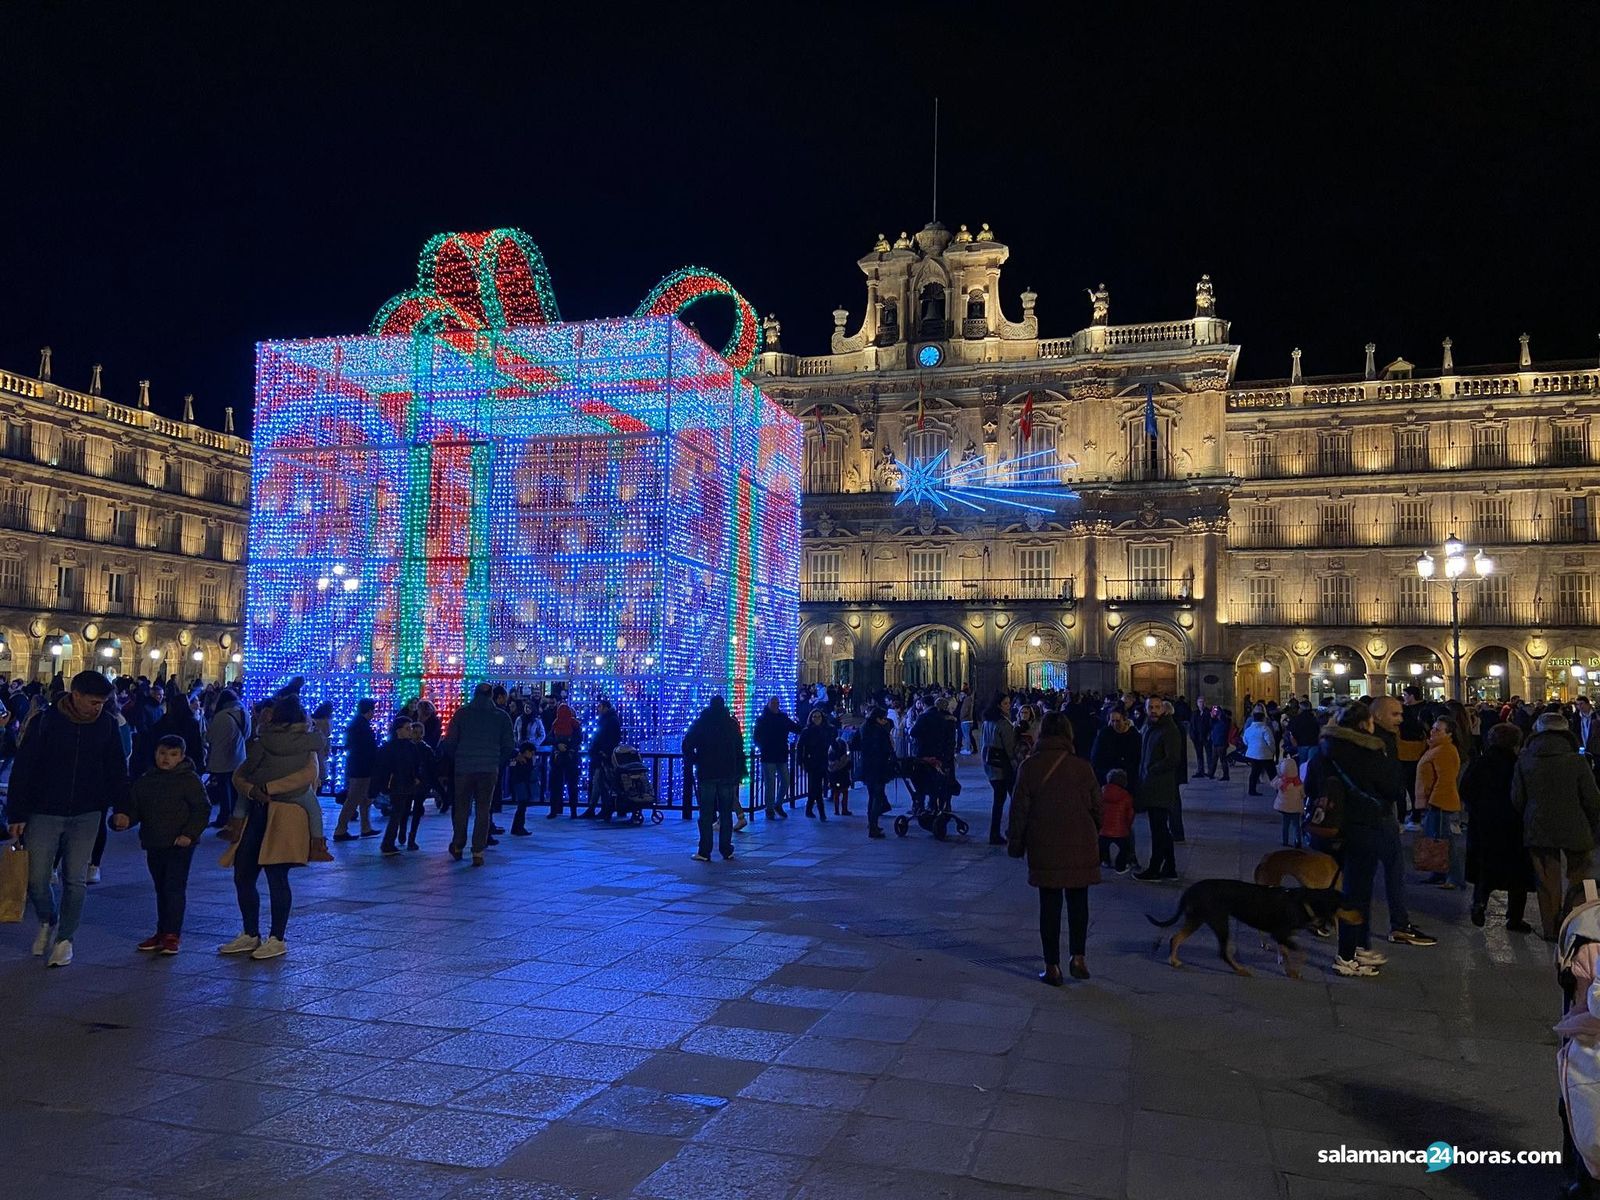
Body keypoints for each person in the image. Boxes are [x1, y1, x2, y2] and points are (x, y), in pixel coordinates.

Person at [6, 671, 131, 968]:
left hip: (87, 811)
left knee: (75, 878)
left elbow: (116, 767)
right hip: (44, 810)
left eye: (102, 703)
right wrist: (17, 814)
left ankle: (65, 939)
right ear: (75, 696)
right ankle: (48, 919)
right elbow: (24, 769)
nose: (97, 708)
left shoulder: (106, 726)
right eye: (93, 702)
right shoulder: (45, 722)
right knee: (37, 879)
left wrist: (123, 807)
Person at [221, 694, 327, 961]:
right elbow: (308, 777)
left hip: (261, 811)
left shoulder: (262, 742)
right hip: (286, 813)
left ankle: (258, 933)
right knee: (275, 877)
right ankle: (271, 936)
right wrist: (262, 789)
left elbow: (240, 774)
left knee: (246, 875)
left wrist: (256, 790)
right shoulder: (310, 744)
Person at [1008, 712, 1102, 984]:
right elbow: (1098, 806)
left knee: (1049, 906)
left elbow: (1018, 811)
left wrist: (1016, 843)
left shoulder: (1030, 767)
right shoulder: (1082, 767)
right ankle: (1079, 957)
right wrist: (1093, 830)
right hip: (1080, 841)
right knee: (1078, 902)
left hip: (1044, 842)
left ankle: (1052, 967)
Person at [111, 733, 210, 953]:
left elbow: (202, 809)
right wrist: (123, 819)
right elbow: (136, 809)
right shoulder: (146, 780)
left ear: (182, 756)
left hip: (179, 843)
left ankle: (172, 933)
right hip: (154, 841)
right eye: (162, 753)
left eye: (172, 755)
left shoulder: (188, 780)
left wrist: (189, 834)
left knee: (173, 887)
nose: (166, 758)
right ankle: (162, 931)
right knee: (161, 887)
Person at [1511, 712, 1600, 941]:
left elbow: (1517, 798)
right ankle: (1575, 924)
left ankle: (1550, 929)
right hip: (1575, 826)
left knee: (1546, 880)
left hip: (1538, 826)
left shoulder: (1525, 760)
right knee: (1579, 877)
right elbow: (1592, 799)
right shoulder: (1577, 761)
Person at [1462, 722, 1535, 932]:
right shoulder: (1518, 764)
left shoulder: (1481, 762)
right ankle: (1515, 917)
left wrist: (1476, 810)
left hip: (1484, 824)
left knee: (1485, 869)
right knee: (1517, 873)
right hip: (1513, 824)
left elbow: (1466, 789)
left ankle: (1479, 903)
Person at [443, 683, 515, 865]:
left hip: (464, 768)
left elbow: (450, 741)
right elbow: (509, 745)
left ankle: (458, 845)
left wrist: (457, 759)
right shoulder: (501, 716)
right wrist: (497, 762)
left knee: (461, 807)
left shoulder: (462, 714)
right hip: (488, 769)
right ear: (491, 695)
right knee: (483, 809)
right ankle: (478, 851)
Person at [683, 696, 746, 862]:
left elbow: (687, 743)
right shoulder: (731, 724)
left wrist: (695, 759)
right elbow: (739, 749)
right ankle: (726, 849)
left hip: (707, 772)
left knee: (706, 813)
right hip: (727, 773)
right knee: (726, 813)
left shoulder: (702, 723)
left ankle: (704, 850)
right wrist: (739, 770)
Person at [1133, 697, 1185, 882]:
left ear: (1163, 709)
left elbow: (1173, 759)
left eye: (1157, 707)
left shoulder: (1169, 729)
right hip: (1150, 786)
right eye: (1150, 707)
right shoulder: (1150, 727)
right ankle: (1170, 868)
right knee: (1160, 829)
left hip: (1161, 787)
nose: (1153, 710)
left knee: (1159, 830)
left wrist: (1152, 768)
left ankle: (1155, 867)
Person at [374, 717, 436, 854]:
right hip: (398, 783)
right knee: (398, 812)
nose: (410, 731)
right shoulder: (394, 748)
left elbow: (415, 764)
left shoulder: (407, 747)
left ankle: (391, 841)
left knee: (399, 812)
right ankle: (389, 842)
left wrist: (416, 777)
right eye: (408, 729)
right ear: (398, 731)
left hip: (405, 783)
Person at [1416, 718, 1464, 888]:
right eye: (1433, 728)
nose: (1433, 732)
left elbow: (1445, 779)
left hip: (1440, 801)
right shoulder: (1436, 748)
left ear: (1449, 734)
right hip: (1434, 800)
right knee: (1435, 838)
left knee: (1443, 839)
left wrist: (1435, 801)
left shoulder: (1445, 750)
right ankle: (1439, 872)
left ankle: (1453, 877)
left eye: (1438, 730)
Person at [334, 698, 380, 841]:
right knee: (354, 799)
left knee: (364, 799)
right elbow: (367, 748)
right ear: (370, 710)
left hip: (358, 765)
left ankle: (365, 827)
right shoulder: (362, 726)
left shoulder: (357, 724)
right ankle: (341, 829)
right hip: (362, 767)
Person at [204, 689, 249, 829]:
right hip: (239, 756)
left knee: (224, 788)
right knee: (236, 787)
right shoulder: (244, 712)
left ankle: (224, 817)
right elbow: (247, 735)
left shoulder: (221, 716)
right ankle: (237, 817)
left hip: (223, 757)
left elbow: (210, 737)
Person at [753, 698, 800, 819]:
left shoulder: (782, 718)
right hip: (768, 755)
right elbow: (756, 736)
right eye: (773, 703)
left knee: (785, 780)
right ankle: (769, 808)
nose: (775, 706)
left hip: (781, 755)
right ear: (768, 704)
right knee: (770, 783)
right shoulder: (762, 719)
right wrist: (763, 746)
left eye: (777, 703)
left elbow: (795, 728)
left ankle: (778, 803)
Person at [981, 699, 1019, 847]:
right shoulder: (1004, 724)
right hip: (1004, 767)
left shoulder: (987, 723)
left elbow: (983, 744)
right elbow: (1010, 749)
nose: (1008, 706)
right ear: (998, 706)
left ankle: (995, 832)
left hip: (991, 765)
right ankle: (1010, 831)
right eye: (1005, 703)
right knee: (1014, 799)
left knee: (999, 801)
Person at [858, 707, 895, 839]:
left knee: (872, 795)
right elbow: (887, 748)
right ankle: (873, 825)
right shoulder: (880, 731)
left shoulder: (864, 727)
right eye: (884, 718)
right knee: (877, 796)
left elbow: (856, 742)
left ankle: (872, 823)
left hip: (867, 766)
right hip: (879, 767)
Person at [584, 698, 623, 820]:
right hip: (601, 756)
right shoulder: (609, 719)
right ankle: (597, 808)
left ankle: (602, 808)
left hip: (603, 757)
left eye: (599, 707)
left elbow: (611, 739)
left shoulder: (610, 720)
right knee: (598, 783)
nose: (597, 709)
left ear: (605, 707)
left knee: (601, 783)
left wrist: (604, 752)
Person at [547, 702, 583, 818]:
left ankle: (556, 810)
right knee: (570, 785)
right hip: (569, 758)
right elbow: (578, 739)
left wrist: (559, 745)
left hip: (560, 758)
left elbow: (550, 738)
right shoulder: (573, 724)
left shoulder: (556, 723)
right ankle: (571, 811)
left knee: (559, 785)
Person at [1098, 767, 1136, 874]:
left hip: (1103, 830)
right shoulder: (1126, 796)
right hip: (1120, 831)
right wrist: (1127, 826)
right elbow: (1130, 814)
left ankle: (1105, 861)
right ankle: (1120, 865)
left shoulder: (1101, 792)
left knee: (1102, 847)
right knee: (1124, 848)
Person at [797, 709, 833, 821]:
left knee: (815, 787)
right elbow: (800, 747)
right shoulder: (807, 731)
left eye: (818, 717)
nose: (816, 719)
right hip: (811, 761)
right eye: (814, 717)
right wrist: (801, 761)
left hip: (823, 761)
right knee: (816, 786)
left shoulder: (826, 730)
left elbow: (832, 744)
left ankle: (809, 808)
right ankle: (821, 812)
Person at [1242, 707, 1278, 796]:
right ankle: (1279, 790)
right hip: (1265, 754)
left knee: (1254, 772)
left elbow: (1245, 740)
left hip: (1253, 754)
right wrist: (1273, 751)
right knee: (1272, 774)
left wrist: (1251, 746)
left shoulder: (1249, 729)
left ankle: (1252, 790)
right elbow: (1270, 742)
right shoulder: (1265, 729)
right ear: (1263, 718)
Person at [1273, 752, 1305, 848]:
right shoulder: (1298, 783)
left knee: (1285, 825)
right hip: (1296, 808)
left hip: (1285, 807)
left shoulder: (1281, 782)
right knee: (1296, 825)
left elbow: (1273, 783)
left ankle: (1285, 841)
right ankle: (1298, 841)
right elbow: (1303, 794)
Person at [507, 742, 539, 836]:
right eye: (531, 753)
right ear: (526, 751)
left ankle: (516, 827)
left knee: (522, 807)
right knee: (522, 806)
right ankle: (519, 827)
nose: (532, 755)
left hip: (520, 784)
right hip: (520, 784)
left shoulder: (522, 760)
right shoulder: (520, 760)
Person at [826, 728, 853, 816]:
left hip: (834, 776)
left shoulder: (831, 755)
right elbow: (848, 764)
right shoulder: (845, 757)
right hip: (843, 775)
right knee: (844, 792)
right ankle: (844, 809)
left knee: (836, 792)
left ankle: (837, 810)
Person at [1206, 705, 1233, 780]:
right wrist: (1212, 717)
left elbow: (1225, 727)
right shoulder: (1215, 720)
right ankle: (1211, 774)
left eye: (1216, 710)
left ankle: (1226, 775)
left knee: (1223, 760)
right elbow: (1210, 725)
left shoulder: (1224, 720)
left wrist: (1218, 715)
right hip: (1215, 742)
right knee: (1214, 759)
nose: (1215, 712)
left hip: (1222, 743)